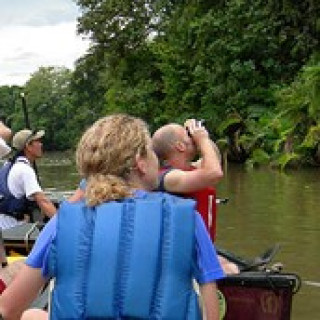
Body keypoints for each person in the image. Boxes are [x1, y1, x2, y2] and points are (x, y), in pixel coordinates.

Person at [0, 114, 224, 320]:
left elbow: (8, 309)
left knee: (31, 315)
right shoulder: (188, 218)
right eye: (152, 154)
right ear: (140, 162)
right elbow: (212, 313)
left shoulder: (62, 223)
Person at [152, 119, 239, 274]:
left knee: (227, 262)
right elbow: (214, 173)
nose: (192, 137)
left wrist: (201, 137)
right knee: (231, 269)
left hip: (198, 250)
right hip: (179, 256)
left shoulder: (191, 170)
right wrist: (202, 139)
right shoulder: (169, 178)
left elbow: (214, 160)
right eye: (187, 136)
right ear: (179, 146)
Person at [0, 129, 56, 229]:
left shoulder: (9, 164)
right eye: (37, 141)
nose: (41, 144)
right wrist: (63, 224)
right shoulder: (25, 170)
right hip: (12, 229)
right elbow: (43, 201)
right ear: (28, 146)